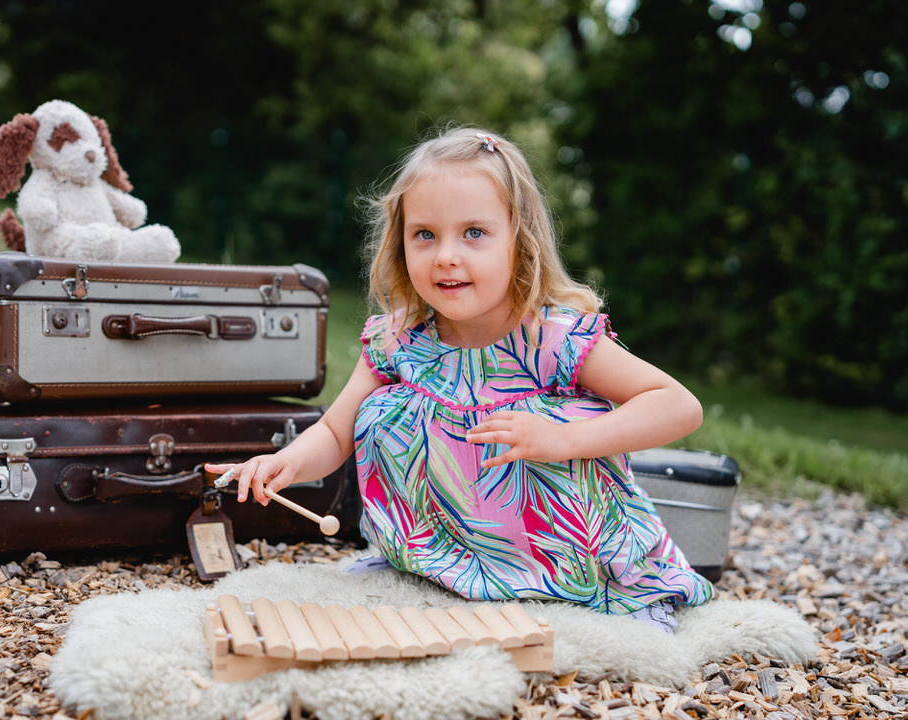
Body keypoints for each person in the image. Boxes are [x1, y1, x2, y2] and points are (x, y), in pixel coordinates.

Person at [205, 127, 713, 631]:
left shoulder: (553, 339)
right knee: (380, 411)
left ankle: (582, 590)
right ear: (400, 243)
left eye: (474, 232)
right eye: (425, 234)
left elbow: (677, 405)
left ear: (520, 239)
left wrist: (566, 438)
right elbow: (337, 432)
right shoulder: (398, 340)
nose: (446, 254)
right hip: (439, 558)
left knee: (543, 425)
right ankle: (435, 565)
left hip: (572, 567)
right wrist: (285, 463)